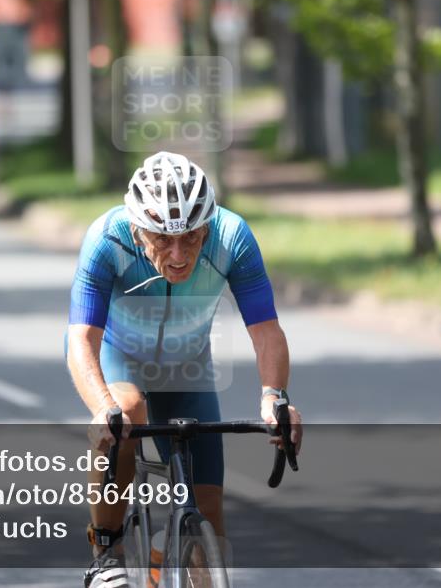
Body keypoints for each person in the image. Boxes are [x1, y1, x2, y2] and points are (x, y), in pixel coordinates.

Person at [66, 152, 303, 587]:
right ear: (138, 230)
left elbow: (266, 329)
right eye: (162, 239)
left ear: (208, 225)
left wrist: (275, 396)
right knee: (126, 412)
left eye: (192, 237)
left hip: (188, 369)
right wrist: (102, 408)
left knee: (208, 511)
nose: (178, 254)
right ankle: (105, 552)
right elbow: (81, 339)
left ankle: (168, 557)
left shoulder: (232, 237)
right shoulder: (106, 239)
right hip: (123, 362)